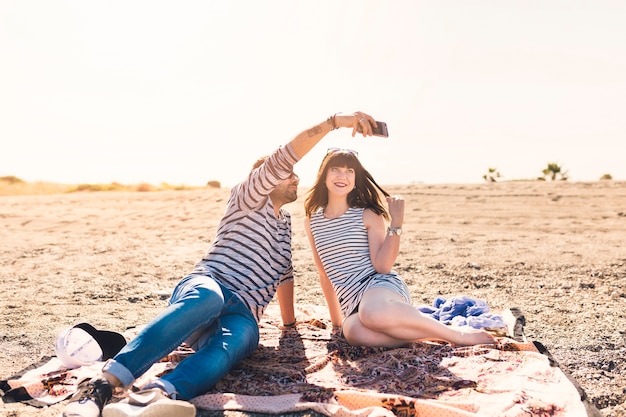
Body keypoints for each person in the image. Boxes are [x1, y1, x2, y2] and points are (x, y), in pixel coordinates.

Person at [61, 111, 380, 417]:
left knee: (240, 339)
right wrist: (335, 122)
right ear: (266, 178)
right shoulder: (248, 196)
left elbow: (285, 276)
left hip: (244, 312)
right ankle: (103, 384)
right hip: (207, 287)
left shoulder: (285, 223)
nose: (296, 177)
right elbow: (288, 154)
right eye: (288, 173)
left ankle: (158, 395)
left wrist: (289, 325)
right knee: (210, 297)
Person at [303, 132, 496, 349]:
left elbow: (382, 266)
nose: (343, 176)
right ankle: (430, 336)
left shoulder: (367, 214)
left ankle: (457, 335)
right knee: (353, 332)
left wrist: (396, 222)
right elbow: (324, 274)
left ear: (355, 179)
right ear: (324, 174)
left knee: (371, 313)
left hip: (378, 287)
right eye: (335, 169)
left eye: (349, 171)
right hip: (352, 303)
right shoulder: (313, 220)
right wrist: (337, 322)